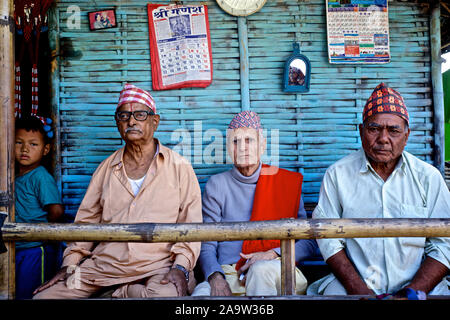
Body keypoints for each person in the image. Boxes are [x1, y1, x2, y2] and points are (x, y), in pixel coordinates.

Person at [33, 83, 202, 299]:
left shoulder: (179, 167)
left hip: (158, 266)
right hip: (105, 266)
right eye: (124, 116)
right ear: (118, 123)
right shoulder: (105, 169)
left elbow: (192, 225)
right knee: (44, 298)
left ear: (155, 121)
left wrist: (181, 268)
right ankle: (123, 290)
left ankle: (122, 292)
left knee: (163, 295)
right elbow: (85, 225)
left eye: (140, 115)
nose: (131, 121)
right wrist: (70, 264)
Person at [307, 83, 450, 298]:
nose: (383, 138)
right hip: (354, 284)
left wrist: (412, 291)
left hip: (417, 283)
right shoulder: (338, 174)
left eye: (393, 130)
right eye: (374, 129)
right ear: (361, 131)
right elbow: (328, 240)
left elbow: (444, 243)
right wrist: (360, 291)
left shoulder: (427, 177)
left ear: (406, 135)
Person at [192, 111, 320, 297]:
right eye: (235, 141)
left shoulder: (285, 182)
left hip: (279, 270)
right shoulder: (217, 185)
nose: (242, 147)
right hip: (230, 272)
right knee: (200, 295)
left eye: (249, 140)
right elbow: (207, 244)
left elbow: (307, 242)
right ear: (228, 148)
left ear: (263, 145)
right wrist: (215, 276)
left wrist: (272, 254)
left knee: (260, 271)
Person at [14, 116, 64, 299]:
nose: (25, 149)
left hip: (36, 248)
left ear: (46, 149)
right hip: (18, 246)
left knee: (32, 292)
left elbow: (56, 211)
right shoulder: (11, 177)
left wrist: (41, 231)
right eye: (19, 142)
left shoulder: (40, 176)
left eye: (33, 144)